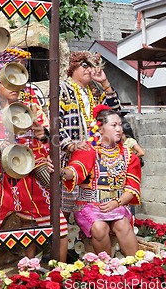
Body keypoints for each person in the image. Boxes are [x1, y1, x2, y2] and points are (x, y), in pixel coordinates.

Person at [0, 54, 68, 269]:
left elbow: (52, 138)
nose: (14, 87)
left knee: (59, 227)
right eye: (7, 83)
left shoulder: (33, 110)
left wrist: (43, 134)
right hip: (0, 181)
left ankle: (60, 273)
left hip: (32, 179)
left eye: (17, 81)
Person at [61, 107, 142, 256]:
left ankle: (136, 265)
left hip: (116, 204)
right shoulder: (88, 150)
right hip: (88, 205)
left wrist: (116, 203)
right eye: (113, 125)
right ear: (100, 129)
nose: (119, 129)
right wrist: (61, 173)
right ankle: (106, 268)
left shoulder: (129, 156)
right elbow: (74, 171)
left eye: (120, 125)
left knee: (123, 225)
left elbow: (132, 189)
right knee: (99, 228)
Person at [58, 51, 121, 220]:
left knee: (89, 205)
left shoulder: (94, 91)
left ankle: (83, 240)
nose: (89, 70)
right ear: (72, 68)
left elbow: (114, 111)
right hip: (70, 156)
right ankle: (58, 243)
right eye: (84, 65)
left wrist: (105, 83)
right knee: (65, 205)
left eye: (92, 66)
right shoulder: (62, 89)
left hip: (95, 158)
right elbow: (54, 122)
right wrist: (70, 145)